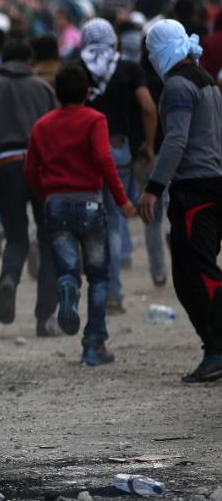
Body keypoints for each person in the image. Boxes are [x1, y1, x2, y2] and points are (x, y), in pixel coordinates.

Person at [26, 65, 135, 366]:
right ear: (88, 92)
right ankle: (94, 345)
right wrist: (122, 198)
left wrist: (48, 194)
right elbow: (103, 158)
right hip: (89, 204)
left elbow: (30, 169)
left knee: (67, 271)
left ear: (57, 95)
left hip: (56, 205)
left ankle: (68, 287)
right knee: (99, 277)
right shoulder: (95, 119)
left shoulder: (42, 125)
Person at [138, 20, 222, 383]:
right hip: (212, 186)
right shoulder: (205, 80)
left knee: (197, 274)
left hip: (195, 191)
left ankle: (217, 349)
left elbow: (176, 141)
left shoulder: (177, 85)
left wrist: (153, 188)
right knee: (192, 272)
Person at [0, 40, 59, 334]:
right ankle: (45, 317)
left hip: (4, 164)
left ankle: (9, 277)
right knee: (48, 240)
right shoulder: (43, 88)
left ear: (3, 61)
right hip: (41, 165)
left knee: (16, 235)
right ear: (29, 60)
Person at [78, 19, 158, 313]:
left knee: (83, 223)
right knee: (113, 221)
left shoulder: (77, 69)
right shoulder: (129, 68)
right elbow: (148, 107)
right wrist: (148, 145)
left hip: (82, 155)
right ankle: (113, 295)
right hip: (119, 150)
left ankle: (80, 286)